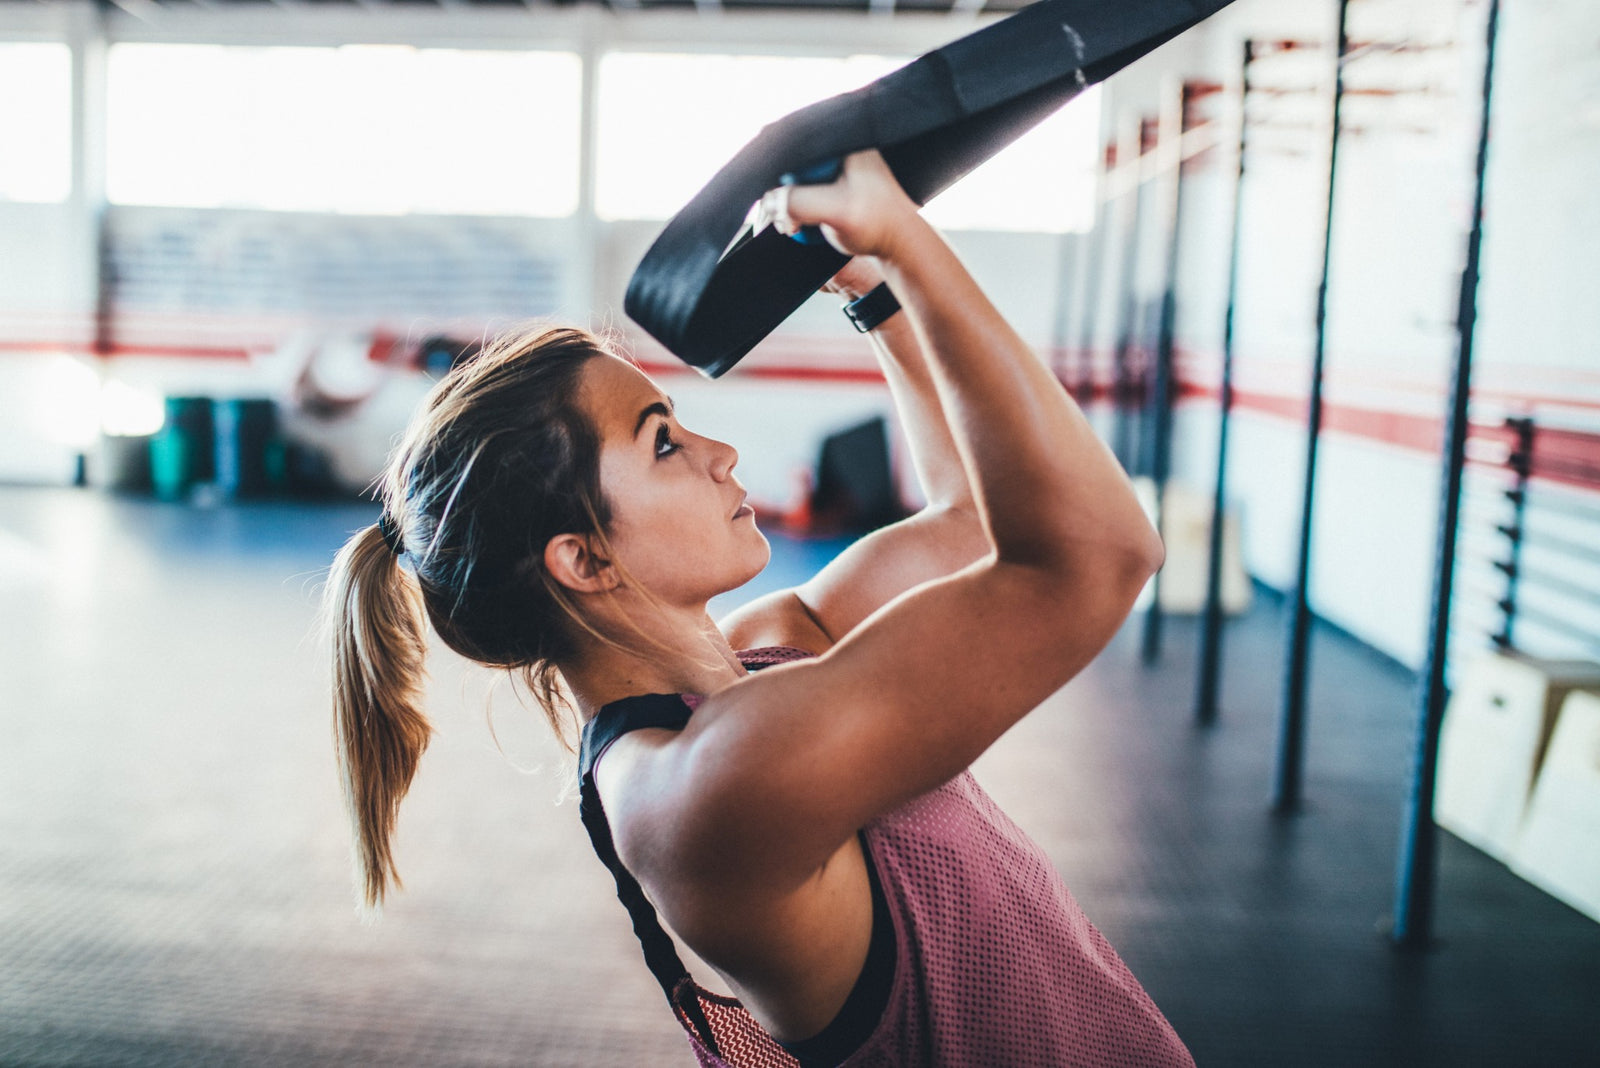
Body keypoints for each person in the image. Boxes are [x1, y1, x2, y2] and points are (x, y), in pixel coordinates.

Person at [324, 150, 1190, 1067]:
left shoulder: (764, 658)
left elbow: (970, 523)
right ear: (583, 558)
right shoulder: (710, 788)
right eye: (664, 443)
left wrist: (874, 291)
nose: (723, 452)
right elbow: (1100, 556)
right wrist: (910, 242)